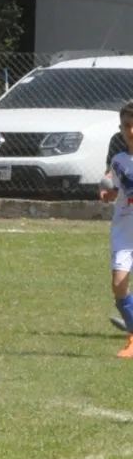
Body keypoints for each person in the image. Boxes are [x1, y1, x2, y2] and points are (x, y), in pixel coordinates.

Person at [100, 103, 133, 354]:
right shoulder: (119, 161)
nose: (131, 130)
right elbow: (117, 190)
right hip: (124, 230)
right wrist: (108, 194)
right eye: (126, 126)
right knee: (119, 285)